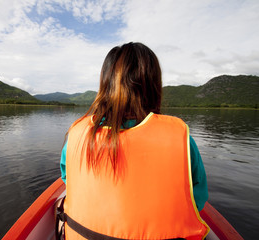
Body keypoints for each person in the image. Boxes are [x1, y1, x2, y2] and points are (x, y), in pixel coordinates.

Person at [59, 42, 210, 240]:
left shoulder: (77, 134)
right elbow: (197, 200)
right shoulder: (180, 138)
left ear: (105, 84)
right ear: (153, 85)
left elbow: (68, 179)